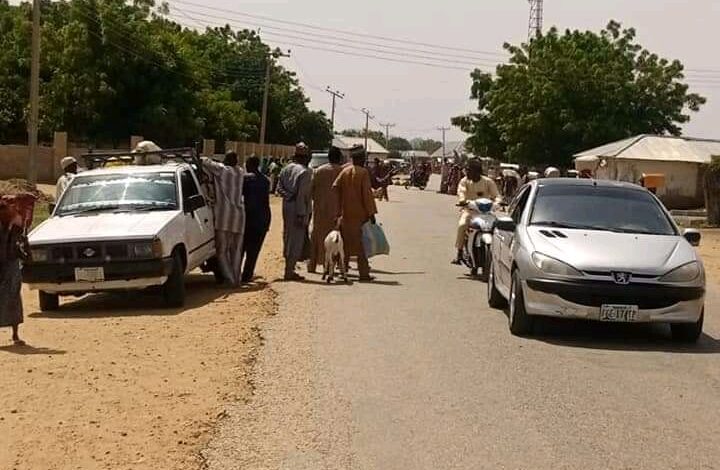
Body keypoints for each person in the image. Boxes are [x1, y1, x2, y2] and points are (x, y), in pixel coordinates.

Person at [333, 145, 378, 282]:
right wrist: (371, 213)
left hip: (346, 214)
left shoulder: (345, 171)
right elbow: (367, 195)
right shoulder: (363, 173)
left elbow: (335, 186)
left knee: (345, 244)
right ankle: (363, 273)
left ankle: (342, 270)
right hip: (360, 215)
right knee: (361, 246)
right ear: (361, 158)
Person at [202, 151, 245, 287]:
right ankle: (237, 278)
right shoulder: (240, 171)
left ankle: (229, 279)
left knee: (222, 250)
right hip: (239, 216)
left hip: (224, 216)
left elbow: (204, 161)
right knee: (236, 249)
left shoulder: (221, 170)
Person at [452, 159, 500, 265]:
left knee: (497, 227)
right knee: (462, 225)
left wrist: (498, 202)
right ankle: (459, 253)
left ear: (477, 171)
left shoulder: (488, 182)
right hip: (470, 211)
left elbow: (496, 195)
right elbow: (462, 191)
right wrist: (462, 200)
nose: (467, 172)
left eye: (469, 170)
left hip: (486, 212)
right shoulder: (464, 181)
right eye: (467, 170)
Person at [277, 143, 313, 281]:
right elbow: (302, 196)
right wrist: (301, 214)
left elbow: (279, 188)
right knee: (296, 240)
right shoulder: (305, 172)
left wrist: (288, 196)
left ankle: (289, 268)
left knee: (287, 236)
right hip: (299, 209)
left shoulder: (285, 169)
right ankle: (289, 271)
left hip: (287, 207)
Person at [308, 147, 344, 274]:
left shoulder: (318, 171)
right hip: (336, 212)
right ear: (339, 158)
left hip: (320, 210)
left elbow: (311, 191)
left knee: (316, 237)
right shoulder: (342, 172)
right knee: (335, 240)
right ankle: (329, 267)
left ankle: (312, 265)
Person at [0, 197, 30, 345]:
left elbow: (21, 239)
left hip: (10, 263)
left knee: (13, 296)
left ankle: (15, 334)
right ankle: (15, 334)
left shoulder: (14, 219)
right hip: (7, 262)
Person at [240, 156, 271, 284]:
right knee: (254, 251)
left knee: (240, 248)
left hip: (248, 218)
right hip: (262, 218)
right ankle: (247, 276)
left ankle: (236, 273)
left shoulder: (245, 179)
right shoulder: (266, 180)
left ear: (249, 164)